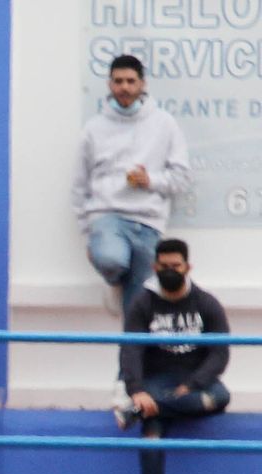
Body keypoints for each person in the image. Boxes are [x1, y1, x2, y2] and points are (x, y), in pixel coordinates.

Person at [113, 239, 228, 474]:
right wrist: (137, 390)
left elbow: (219, 354)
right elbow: (130, 350)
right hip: (156, 381)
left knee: (220, 397)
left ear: (187, 267)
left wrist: (192, 384)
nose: (169, 271)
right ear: (154, 267)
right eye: (163, 266)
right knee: (152, 428)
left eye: (175, 266)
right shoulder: (142, 302)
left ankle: (138, 411)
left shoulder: (206, 302)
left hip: (195, 384)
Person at [72, 55, 191, 319]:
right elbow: (80, 184)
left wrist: (151, 180)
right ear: (109, 85)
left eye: (130, 81)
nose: (124, 87)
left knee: (138, 309)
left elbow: (182, 177)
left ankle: (132, 355)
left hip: (149, 222)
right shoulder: (94, 128)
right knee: (111, 260)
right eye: (118, 81)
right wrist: (87, 231)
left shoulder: (164, 124)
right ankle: (114, 279)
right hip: (107, 216)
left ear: (142, 84)